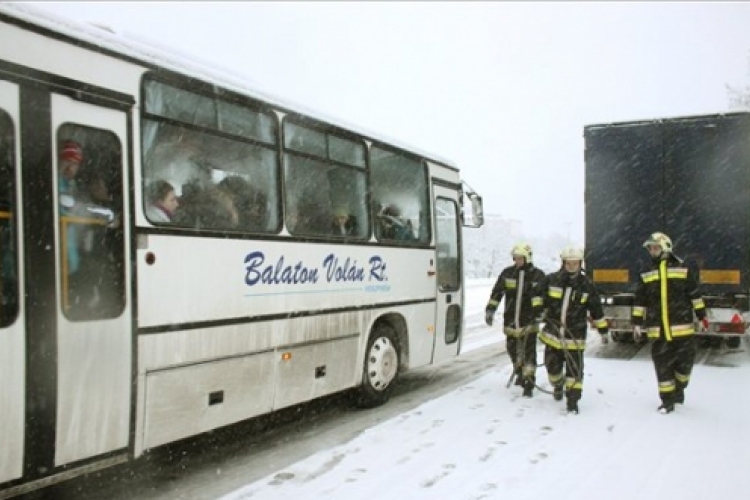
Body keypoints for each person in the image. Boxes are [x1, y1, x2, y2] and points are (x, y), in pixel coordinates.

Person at [632, 232, 708, 414]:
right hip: (657, 330)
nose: (652, 251)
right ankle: (667, 402)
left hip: (682, 329)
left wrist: (702, 315)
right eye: (650, 248)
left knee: (684, 366)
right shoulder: (646, 271)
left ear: (666, 248)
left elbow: (694, 295)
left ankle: (679, 387)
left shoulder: (683, 269)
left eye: (655, 247)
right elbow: (640, 300)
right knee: (662, 366)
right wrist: (636, 322)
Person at [539, 246, 609, 414]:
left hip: (575, 338)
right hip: (553, 336)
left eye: (575, 263)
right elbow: (537, 296)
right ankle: (557, 384)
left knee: (575, 373)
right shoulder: (551, 280)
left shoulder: (587, 285)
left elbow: (596, 310)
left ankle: (572, 401)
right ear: (563, 263)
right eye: (568, 263)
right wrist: (538, 311)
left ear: (580, 263)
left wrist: (603, 330)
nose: (571, 266)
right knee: (552, 368)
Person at [484, 242, 546, 397]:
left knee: (529, 353)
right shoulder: (507, 273)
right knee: (512, 350)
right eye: (516, 258)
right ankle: (519, 371)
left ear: (528, 258)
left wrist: (540, 313)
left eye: (520, 258)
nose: (517, 261)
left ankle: (529, 382)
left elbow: (542, 298)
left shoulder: (538, 276)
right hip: (511, 321)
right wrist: (490, 310)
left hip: (528, 323)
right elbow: (497, 292)